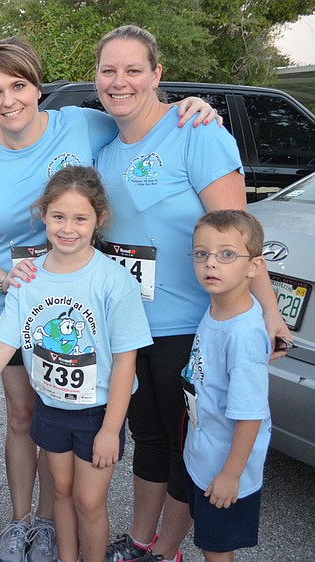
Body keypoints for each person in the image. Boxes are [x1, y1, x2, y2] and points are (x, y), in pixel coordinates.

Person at [0, 37, 219, 562]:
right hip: (18, 297)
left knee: (73, 411)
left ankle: (52, 523)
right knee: (26, 414)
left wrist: (192, 108)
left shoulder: (79, 124)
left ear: (37, 86)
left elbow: (141, 116)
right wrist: (4, 281)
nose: (9, 100)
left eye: (18, 85)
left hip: (81, 298)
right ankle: (21, 522)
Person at [93, 27, 290, 562]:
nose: (120, 82)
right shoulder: (104, 151)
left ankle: (168, 550)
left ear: (157, 75)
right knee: (149, 438)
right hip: (132, 328)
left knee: (189, 446)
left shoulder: (195, 133)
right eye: (109, 71)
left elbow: (239, 233)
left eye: (134, 70)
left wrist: (269, 309)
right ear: (97, 79)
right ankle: (138, 541)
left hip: (192, 325)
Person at [0, 166, 152, 562]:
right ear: (43, 216)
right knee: (62, 494)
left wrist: (110, 428)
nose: (67, 228)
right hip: (52, 409)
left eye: (80, 218)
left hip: (97, 414)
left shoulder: (112, 281)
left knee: (89, 501)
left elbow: (126, 361)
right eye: (58, 217)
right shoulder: (28, 278)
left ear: (98, 220)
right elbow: (4, 342)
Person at [181, 210, 271, 562]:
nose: (211, 264)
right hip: (204, 457)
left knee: (217, 550)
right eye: (201, 253)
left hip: (225, 470)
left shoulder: (244, 334)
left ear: (254, 266)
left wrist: (231, 475)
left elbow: (250, 414)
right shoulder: (217, 308)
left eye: (227, 254)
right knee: (208, 540)